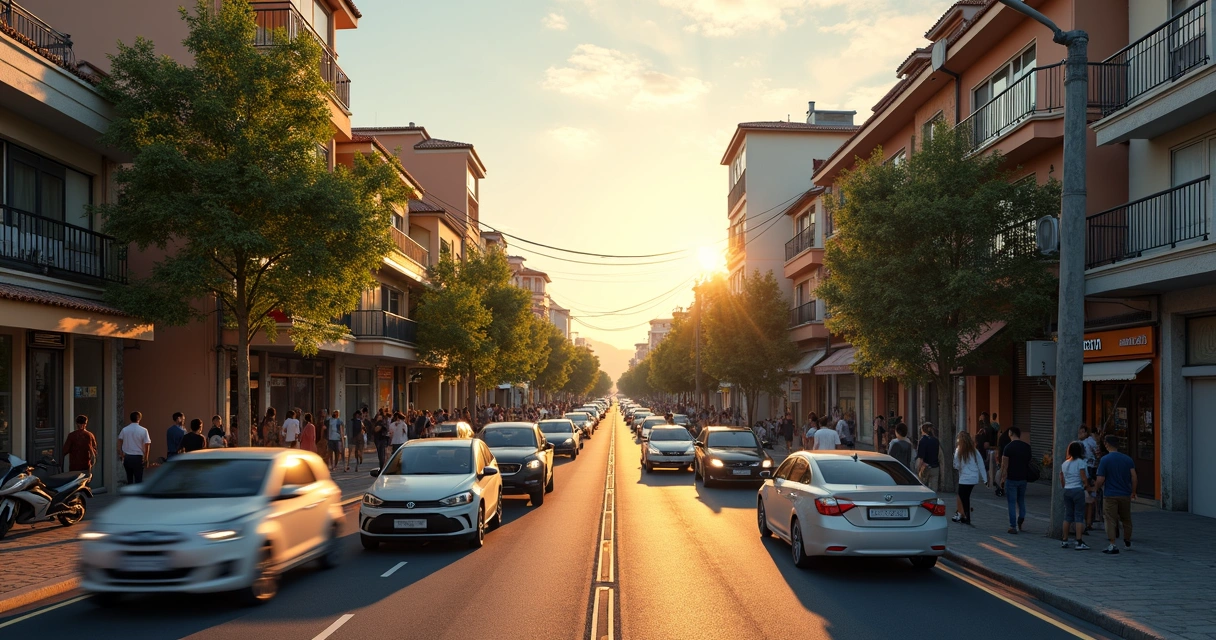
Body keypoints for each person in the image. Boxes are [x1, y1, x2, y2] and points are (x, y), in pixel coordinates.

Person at [1095, 435, 1137, 555]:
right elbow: (1134, 477)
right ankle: (1127, 541)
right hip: (1125, 494)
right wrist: (1133, 492)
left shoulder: (1105, 460)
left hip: (1110, 494)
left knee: (1110, 519)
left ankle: (1112, 544)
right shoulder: (1128, 459)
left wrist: (1095, 489)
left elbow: (1100, 478)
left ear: (1107, 444)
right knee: (1126, 519)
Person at [999, 426, 1032, 534]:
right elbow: (1028, 461)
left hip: (1011, 478)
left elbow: (1005, 466)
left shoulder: (1008, 447)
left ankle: (1013, 526)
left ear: (1011, 433)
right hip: (1023, 478)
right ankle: (1021, 518)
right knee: (1021, 500)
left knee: (1011, 503)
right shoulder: (1027, 447)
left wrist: (1002, 479)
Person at [1060, 441, 1091, 550]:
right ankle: (1079, 541)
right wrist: (1086, 486)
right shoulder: (1080, 462)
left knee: (1068, 515)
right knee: (1079, 516)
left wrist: (1065, 486)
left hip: (1067, 490)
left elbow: (1061, 479)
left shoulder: (1065, 463)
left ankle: (1064, 539)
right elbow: (1083, 478)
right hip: (1077, 489)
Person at [952, 431, 986, 525]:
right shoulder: (974, 450)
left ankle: (963, 515)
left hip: (964, 478)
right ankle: (965, 516)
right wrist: (985, 479)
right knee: (966, 496)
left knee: (961, 496)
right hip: (974, 477)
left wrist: (959, 467)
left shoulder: (959, 450)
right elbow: (981, 464)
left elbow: (956, 465)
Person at [118, 411, 151, 484]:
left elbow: (119, 440)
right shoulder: (144, 430)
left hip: (127, 457)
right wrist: (146, 458)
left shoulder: (125, 430)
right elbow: (147, 444)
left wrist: (121, 453)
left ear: (130, 419)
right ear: (139, 419)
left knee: (129, 478)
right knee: (138, 479)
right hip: (138, 457)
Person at [1079, 426, 1100, 532]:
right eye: (1079, 432)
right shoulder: (1078, 443)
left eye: (1082, 432)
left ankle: (1089, 522)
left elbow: (1097, 451)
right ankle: (1086, 521)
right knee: (1087, 498)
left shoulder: (1090, 441)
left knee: (1090, 497)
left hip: (1091, 468)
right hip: (1084, 469)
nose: (1080, 434)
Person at [916, 423, 941, 489]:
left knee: (922, 487)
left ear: (923, 430)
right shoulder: (936, 440)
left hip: (925, 466)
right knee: (934, 487)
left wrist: (918, 468)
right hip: (935, 467)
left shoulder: (922, 441)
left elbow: (921, 458)